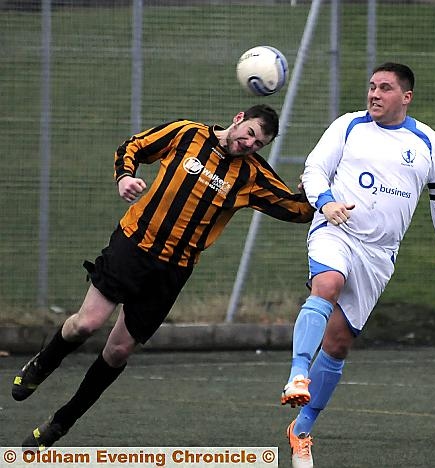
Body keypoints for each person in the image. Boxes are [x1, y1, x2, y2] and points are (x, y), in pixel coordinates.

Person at [12, 104, 314, 450]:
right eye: (249, 134)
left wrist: (310, 188)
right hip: (133, 244)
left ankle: (62, 421)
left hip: (173, 269)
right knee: (86, 324)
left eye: (258, 144)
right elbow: (133, 147)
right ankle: (42, 364)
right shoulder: (187, 134)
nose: (249, 144)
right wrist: (125, 176)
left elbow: (298, 210)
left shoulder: (252, 175)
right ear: (238, 119)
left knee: (118, 351)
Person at [280, 63, 435, 468]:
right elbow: (313, 170)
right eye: (371, 86)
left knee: (339, 344)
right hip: (336, 230)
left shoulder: (429, 143)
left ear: (406, 97)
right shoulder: (348, 126)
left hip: (380, 255)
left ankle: (302, 430)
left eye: (385, 88)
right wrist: (325, 203)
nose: (374, 94)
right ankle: (297, 375)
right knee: (326, 283)